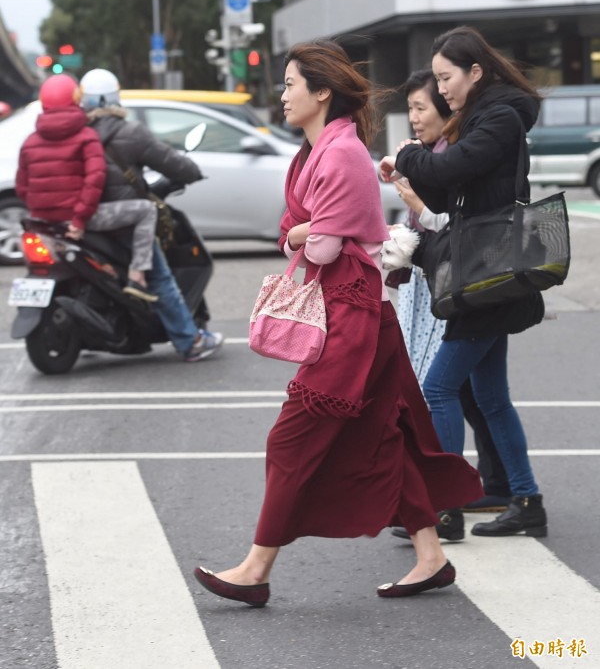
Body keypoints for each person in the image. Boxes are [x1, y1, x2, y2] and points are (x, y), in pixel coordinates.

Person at [193, 39, 482, 608]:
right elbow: (294, 232)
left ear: (321, 91)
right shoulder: (313, 153)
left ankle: (256, 568)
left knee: (291, 440)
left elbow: (316, 245)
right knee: (387, 434)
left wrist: (303, 232)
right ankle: (431, 556)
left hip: (353, 317)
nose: (281, 95)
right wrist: (304, 232)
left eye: (289, 84)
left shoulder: (342, 154)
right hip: (352, 313)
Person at [380, 26, 547, 538]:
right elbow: (451, 187)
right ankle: (525, 500)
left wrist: (408, 155)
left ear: (476, 72)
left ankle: (445, 508)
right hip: (485, 273)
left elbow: (452, 169)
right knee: (491, 397)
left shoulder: (498, 117)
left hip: (486, 274)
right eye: (437, 78)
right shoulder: (487, 115)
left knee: (438, 389)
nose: (442, 88)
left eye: (446, 77)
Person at [383, 70, 511, 542]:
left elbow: (455, 228)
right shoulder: (439, 157)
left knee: (443, 391)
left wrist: (414, 200)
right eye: (413, 107)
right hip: (444, 287)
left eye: (422, 107)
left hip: (465, 288)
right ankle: (509, 491)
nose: (414, 117)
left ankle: (449, 506)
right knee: (480, 396)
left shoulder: (455, 159)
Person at [79, 68, 224, 363]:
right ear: (115, 97)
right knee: (160, 278)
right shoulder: (129, 132)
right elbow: (171, 162)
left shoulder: (79, 134)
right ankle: (190, 341)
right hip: (127, 222)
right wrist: (192, 172)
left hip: (85, 221)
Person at [15, 73, 159, 303]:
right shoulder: (86, 136)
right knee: (147, 210)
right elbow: (95, 180)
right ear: (76, 99)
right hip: (80, 221)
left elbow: (22, 186)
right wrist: (79, 219)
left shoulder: (30, 142)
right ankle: (138, 275)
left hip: (44, 224)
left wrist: (41, 210)